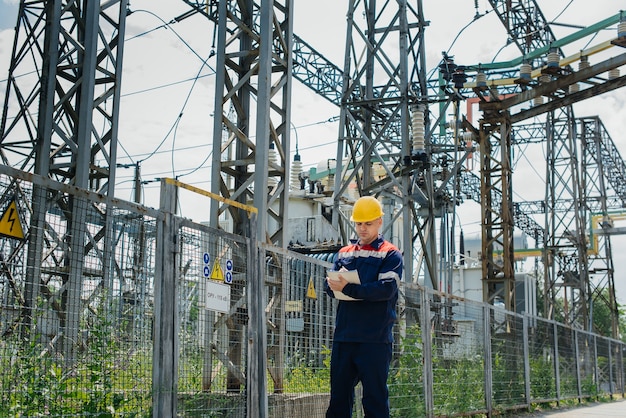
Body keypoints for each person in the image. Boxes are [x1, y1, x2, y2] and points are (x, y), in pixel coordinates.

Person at [324, 195, 403, 418]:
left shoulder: (391, 254)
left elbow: (386, 290)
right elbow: (330, 287)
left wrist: (348, 288)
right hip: (345, 338)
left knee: (375, 400)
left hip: (375, 340)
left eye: (368, 223)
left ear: (379, 222)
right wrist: (332, 284)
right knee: (338, 400)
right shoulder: (344, 253)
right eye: (359, 223)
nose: (362, 228)